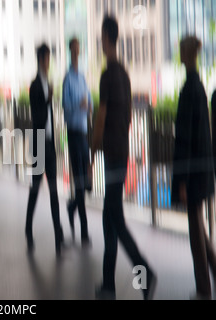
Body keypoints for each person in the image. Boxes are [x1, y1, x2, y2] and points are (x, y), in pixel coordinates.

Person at [91, 16, 156, 300]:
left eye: (101, 36)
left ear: (106, 37)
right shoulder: (125, 75)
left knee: (115, 217)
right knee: (109, 217)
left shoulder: (108, 75)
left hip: (112, 155)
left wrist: (93, 150)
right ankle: (108, 284)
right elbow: (128, 116)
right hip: (122, 152)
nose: (100, 40)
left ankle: (145, 274)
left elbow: (101, 116)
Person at [177, 36, 216, 300]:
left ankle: (203, 288)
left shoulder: (188, 90)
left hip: (191, 176)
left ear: (185, 54)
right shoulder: (200, 87)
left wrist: (180, 180)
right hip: (202, 172)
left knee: (195, 231)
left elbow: (184, 139)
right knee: (199, 227)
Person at [25, 43, 64, 256]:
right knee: (36, 187)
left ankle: (58, 235)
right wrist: (48, 101)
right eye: (47, 59)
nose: (49, 62)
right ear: (41, 60)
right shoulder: (35, 86)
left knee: (53, 190)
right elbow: (37, 118)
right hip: (40, 142)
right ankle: (28, 227)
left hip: (49, 143)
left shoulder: (47, 83)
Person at [63, 37, 92, 247]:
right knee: (81, 182)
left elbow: (89, 102)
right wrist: (78, 103)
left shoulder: (82, 78)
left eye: (78, 51)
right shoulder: (68, 79)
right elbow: (65, 106)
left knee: (86, 183)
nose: (76, 54)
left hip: (83, 133)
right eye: (73, 51)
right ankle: (83, 230)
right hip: (73, 133)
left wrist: (88, 105)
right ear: (69, 52)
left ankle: (73, 205)